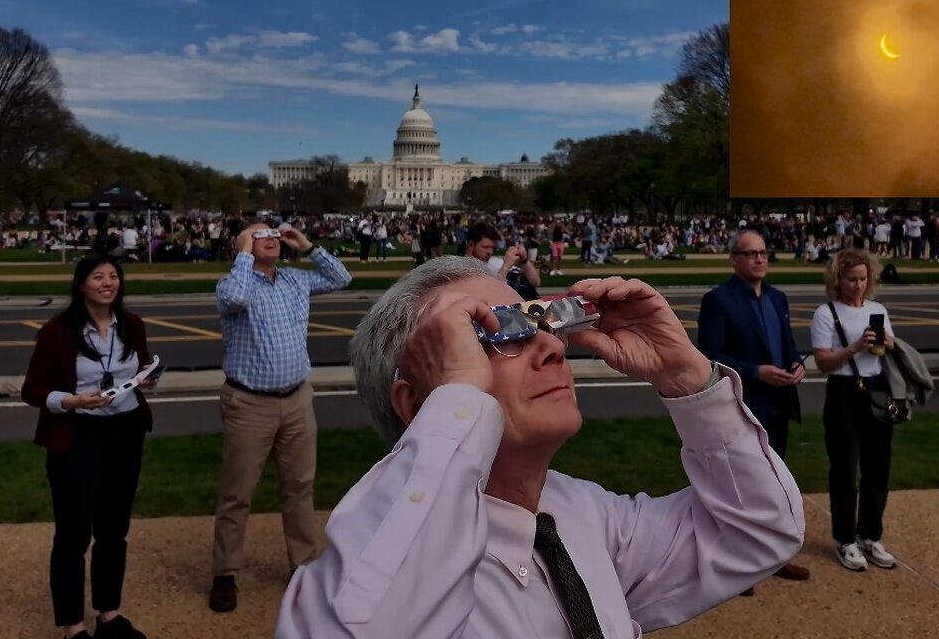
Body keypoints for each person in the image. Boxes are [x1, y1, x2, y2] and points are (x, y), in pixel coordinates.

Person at [275, 257, 805, 637]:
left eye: (540, 322)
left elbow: (758, 529)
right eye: (497, 333)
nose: (554, 345)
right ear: (419, 405)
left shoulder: (583, 515)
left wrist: (686, 375)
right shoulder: (394, 570)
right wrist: (458, 399)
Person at [208, 222, 353, 612]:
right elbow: (236, 297)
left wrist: (308, 247)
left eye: (273, 231)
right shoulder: (232, 284)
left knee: (300, 488)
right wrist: (242, 253)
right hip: (249, 403)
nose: (270, 237)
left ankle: (303, 566)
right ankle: (225, 573)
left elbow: (341, 277)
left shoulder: (294, 279)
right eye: (258, 235)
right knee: (238, 493)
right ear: (241, 246)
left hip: (297, 399)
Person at [20, 253, 157, 639]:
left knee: (114, 529)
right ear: (81, 284)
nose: (108, 283)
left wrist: (148, 380)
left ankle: (109, 615)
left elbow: (142, 368)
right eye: (98, 277)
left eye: (114, 276)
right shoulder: (57, 331)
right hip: (76, 437)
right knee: (73, 533)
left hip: (125, 433)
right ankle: (72, 625)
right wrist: (71, 401)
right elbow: (32, 390)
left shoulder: (131, 325)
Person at [698, 229, 811, 590]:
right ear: (734, 259)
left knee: (778, 484)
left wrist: (797, 364)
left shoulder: (778, 298)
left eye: (763, 253)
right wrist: (756, 371)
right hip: (744, 403)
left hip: (779, 402)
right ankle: (744, 565)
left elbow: (789, 345)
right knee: (744, 487)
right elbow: (710, 354)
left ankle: (776, 556)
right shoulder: (719, 300)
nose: (759, 259)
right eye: (750, 254)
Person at [810, 248, 899, 573]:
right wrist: (854, 347)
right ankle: (845, 538)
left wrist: (888, 343)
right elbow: (823, 362)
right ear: (838, 279)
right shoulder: (826, 313)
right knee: (845, 470)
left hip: (877, 390)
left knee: (878, 468)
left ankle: (870, 535)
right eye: (851, 279)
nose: (858, 285)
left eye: (863, 278)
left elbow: (890, 352)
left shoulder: (878, 310)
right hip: (844, 392)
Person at [463, 221, 541, 300]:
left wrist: (524, 261)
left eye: (492, 248)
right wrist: (505, 267)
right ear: (470, 245)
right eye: (485, 247)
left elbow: (535, 282)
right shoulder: (463, 269)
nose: (490, 252)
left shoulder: (494, 262)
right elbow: (488, 295)